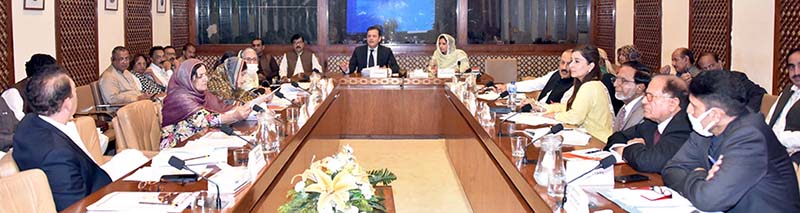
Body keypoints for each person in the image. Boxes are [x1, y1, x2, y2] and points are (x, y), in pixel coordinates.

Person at [662, 71, 800, 212]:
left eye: (693, 106)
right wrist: (704, 181)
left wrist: (698, 173)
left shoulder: (750, 138)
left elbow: (708, 200)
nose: (688, 111)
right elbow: (671, 169)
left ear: (715, 114)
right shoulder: (707, 128)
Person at [13, 65, 111, 211]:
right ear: (67, 103)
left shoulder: (29, 123)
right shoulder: (56, 155)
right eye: (75, 92)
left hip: (92, 177)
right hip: (100, 197)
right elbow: (75, 207)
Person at [160, 59, 263, 149]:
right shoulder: (180, 97)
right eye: (200, 76)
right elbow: (204, 119)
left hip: (199, 143)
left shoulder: (202, 94)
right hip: (177, 149)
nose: (206, 79)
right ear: (188, 79)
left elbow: (220, 107)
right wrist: (234, 116)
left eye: (206, 74)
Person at [604, 75, 692, 173]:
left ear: (672, 104)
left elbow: (649, 162)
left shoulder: (684, 128)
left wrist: (628, 149)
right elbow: (617, 137)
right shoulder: (651, 124)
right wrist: (621, 148)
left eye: (650, 97)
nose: (644, 101)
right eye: (645, 95)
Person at [537, 45, 614, 143]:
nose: (571, 65)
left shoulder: (590, 86)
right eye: (572, 61)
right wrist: (547, 109)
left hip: (597, 141)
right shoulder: (589, 83)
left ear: (590, 66)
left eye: (576, 61)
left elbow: (575, 117)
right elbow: (572, 106)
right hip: (588, 138)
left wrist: (555, 116)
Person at [496, 49, 574, 105]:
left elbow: (562, 109)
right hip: (536, 113)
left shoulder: (575, 85)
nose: (564, 67)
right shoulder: (555, 74)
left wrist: (535, 105)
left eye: (568, 64)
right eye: (562, 62)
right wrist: (508, 86)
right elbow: (535, 84)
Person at [767, 48, 800, 164]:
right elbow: (770, 119)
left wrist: (779, 138)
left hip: (789, 156)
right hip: (769, 149)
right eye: (792, 67)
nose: (796, 72)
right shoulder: (787, 91)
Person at [611, 61, 651, 132]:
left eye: (623, 80)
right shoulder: (624, 108)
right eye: (616, 79)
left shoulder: (645, 114)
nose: (615, 84)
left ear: (640, 88)